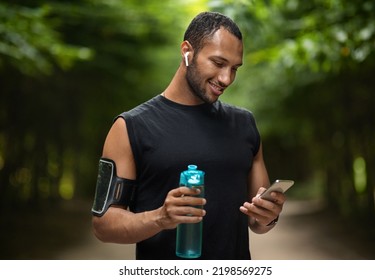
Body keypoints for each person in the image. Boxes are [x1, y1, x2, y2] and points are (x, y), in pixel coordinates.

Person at [91, 11, 286, 260]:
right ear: (187, 51)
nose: (226, 78)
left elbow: (258, 223)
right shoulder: (130, 127)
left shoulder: (244, 124)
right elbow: (103, 225)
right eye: (218, 63)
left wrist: (269, 216)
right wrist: (160, 217)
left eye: (234, 68)